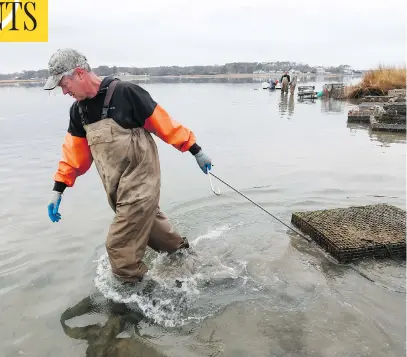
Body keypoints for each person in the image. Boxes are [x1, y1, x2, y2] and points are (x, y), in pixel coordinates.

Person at [44, 48, 213, 284]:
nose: (64, 91)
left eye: (64, 84)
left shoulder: (125, 93)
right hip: (117, 188)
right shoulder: (79, 111)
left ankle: (133, 301)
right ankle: (185, 257)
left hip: (142, 181)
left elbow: (163, 125)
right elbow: (75, 156)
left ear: (79, 73)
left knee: (119, 246)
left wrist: (195, 150)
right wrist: (58, 189)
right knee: (154, 229)